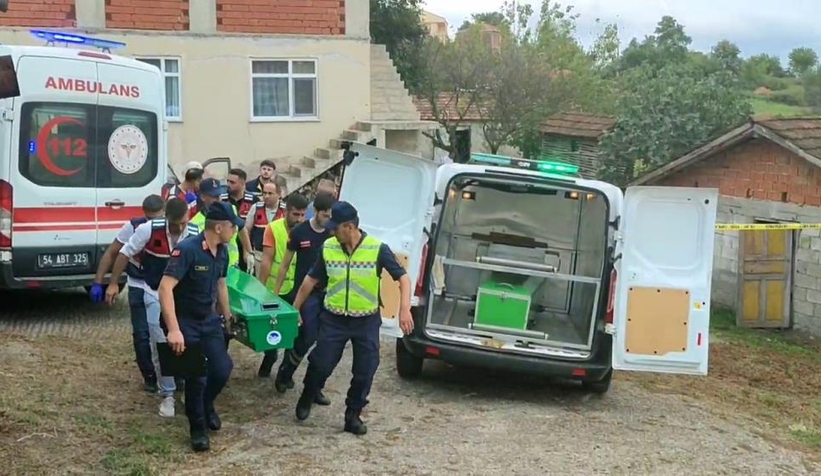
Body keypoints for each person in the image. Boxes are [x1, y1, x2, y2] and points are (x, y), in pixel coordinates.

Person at [292, 201, 414, 435]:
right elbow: (311, 279)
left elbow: (403, 278)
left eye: (335, 228)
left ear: (349, 227)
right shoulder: (328, 248)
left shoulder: (377, 249)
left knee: (365, 370)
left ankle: (353, 415)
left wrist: (404, 309)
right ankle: (309, 393)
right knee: (320, 363)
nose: (331, 231)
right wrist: (295, 308)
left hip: (366, 322)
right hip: (334, 319)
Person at [158, 202, 242, 452]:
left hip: (208, 320)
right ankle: (198, 428)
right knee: (197, 377)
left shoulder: (223, 251)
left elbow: (221, 284)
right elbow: (165, 288)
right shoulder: (187, 251)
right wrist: (174, 329)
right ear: (218, 227)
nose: (235, 231)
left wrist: (227, 315)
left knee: (222, 368)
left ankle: (205, 406)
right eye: (232, 227)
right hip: (185, 322)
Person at [105, 198, 200, 418]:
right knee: (161, 342)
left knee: (190, 339)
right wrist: (113, 283)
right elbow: (124, 253)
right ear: (166, 219)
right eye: (176, 224)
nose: (180, 228)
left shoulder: (195, 232)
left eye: (184, 223)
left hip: (183, 296)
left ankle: (187, 386)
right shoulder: (148, 230)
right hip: (153, 291)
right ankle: (167, 393)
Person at [89, 194, 165, 393]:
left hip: (163, 288)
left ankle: (172, 375)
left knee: (166, 333)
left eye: (155, 218)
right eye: (148, 218)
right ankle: (149, 376)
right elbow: (113, 252)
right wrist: (101, 282)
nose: (151, 223)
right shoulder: (135, 227)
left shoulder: (172, 228)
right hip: (138, 284)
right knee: (141, 334)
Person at [272, 191, 335, 401]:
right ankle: (285, 371)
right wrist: (275, 293)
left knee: (324, 340)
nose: (328, 220)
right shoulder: (300, 232)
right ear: (316, 212)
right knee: (306, 337)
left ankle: (313, 385)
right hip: (305, 292)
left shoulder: (333, 234)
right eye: (325, 215)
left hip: (328, 293)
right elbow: (285, 264)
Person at [255, 193, 309, 378]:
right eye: (296, 214)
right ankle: (269, 359)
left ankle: (286, 370)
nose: (300, 219)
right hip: (275, 289)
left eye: (303, 215)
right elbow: (267, 260)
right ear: (286, 211)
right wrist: (261, 290)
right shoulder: (273, 229)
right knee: (273, 328)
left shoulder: (306, 231)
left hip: (297, 289)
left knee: (294, 332)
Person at [191, 178, 244, 268]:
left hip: (233, 267)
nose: (219, 199)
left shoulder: (231, 209)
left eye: (219, 195)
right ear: (203, 197)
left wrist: (248, 251)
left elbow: (242, 229)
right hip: (212, 268)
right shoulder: (194, 224)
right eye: (214, 196)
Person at [221, 168, 257, 273]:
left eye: (232, 182)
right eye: (227, 181)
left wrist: (249, 251)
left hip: (247, 247)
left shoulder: (254, 201)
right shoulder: (221, 200)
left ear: (242, 183)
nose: (228, 184)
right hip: (228, 248)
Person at [244, 182, 285, 272]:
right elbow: (246, 231)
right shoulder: (255, 208)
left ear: (278, 194)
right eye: (264, 193)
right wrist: (248, 252)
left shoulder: (285, 210)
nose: (266, 196)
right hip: (259, 256)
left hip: (279, 257)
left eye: (270, 193)